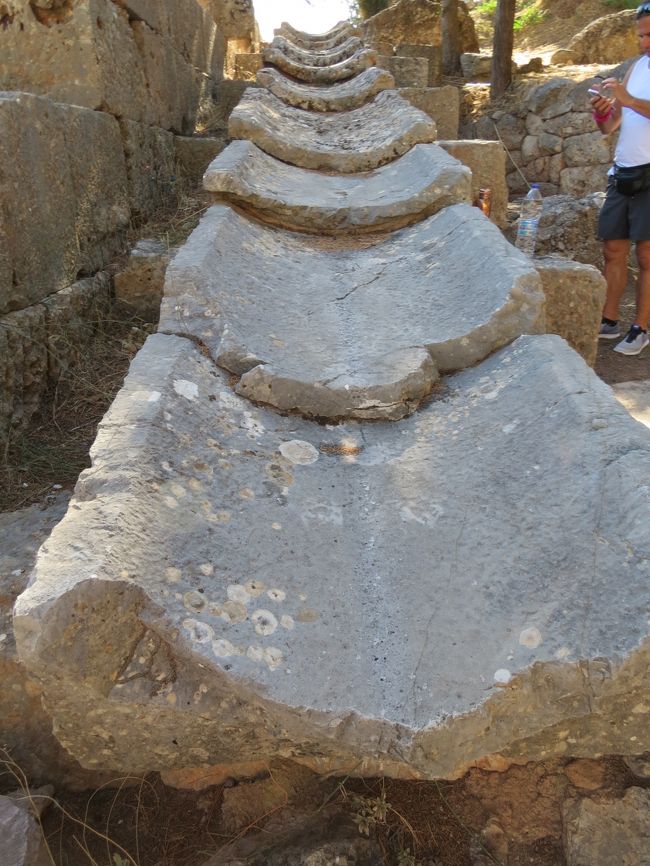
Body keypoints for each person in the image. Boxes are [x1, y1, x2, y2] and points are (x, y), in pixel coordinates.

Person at [591, 1, 650, 356]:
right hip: (622, 172)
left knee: (647, 256)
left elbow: (631, 103)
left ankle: (641, 327)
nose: (645, 42)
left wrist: (627, 99)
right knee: (612, 248)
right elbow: (612, 125)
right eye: (641, 35)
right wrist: (603, 112)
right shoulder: (637, 67)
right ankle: (609, 320)